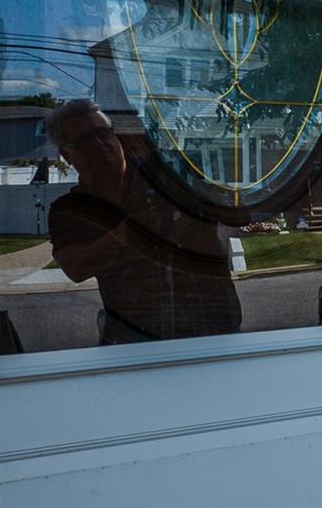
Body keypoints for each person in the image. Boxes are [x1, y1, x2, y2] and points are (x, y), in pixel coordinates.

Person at [45, 99, 241, 344]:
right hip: (139, 340)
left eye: (103, 133)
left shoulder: (165, 176)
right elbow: (75, 267)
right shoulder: (71, 209)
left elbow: (233, 210)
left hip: (213, 325)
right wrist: (133, 229)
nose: (98, 145)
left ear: (115, 136)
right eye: (83, 141)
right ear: (66, 154)